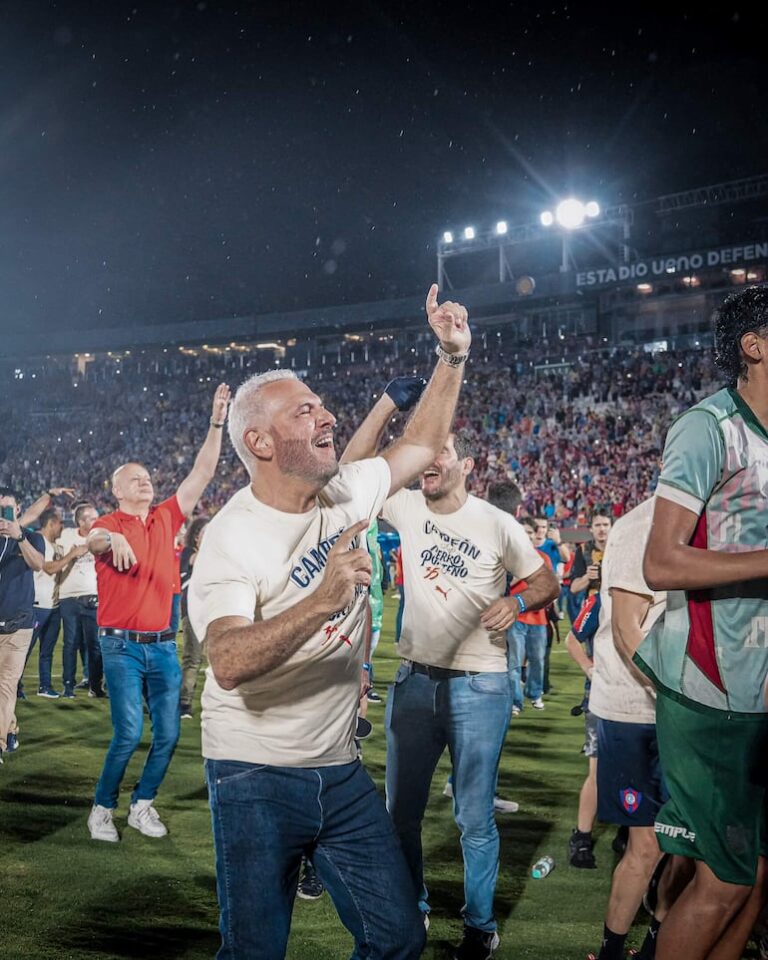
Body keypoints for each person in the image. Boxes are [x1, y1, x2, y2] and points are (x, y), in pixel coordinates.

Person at [188, 285, 470, 960]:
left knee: (397, 938)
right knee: (255, 952)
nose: (327, 415)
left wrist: (451, 356)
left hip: (341, 771)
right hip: (254, 774)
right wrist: (319, 600)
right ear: (258, 440)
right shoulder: (232, 538)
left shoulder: (343, 488)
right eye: (304, 409)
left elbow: (425, 440)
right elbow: (226, 659)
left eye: (320, 403)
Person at [343, 405, 559, 957]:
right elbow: (352, 469)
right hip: (414, 682)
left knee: (473, 817)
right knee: (402, 816)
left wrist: (515, 599)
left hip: (479, 686)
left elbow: (546, 579)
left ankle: (479, 927)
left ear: (466, 463)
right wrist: (388, 408)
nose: (429, 463)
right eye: (425, 454)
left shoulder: (496, 521)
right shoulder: (407, 504)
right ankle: (409, 911)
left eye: (440, 452)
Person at [638, 284, 768, 960]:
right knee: (722, 880)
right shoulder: (709, 427)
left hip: (761, 690)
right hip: (711, 692)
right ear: (755, 346)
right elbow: (660, 562)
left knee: (755, 878)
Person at [85, 383, 230, 843]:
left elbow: (203, 473)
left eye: (148, 477)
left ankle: (142, 804)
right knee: (128, 732)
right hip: (120, 646)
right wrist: (115, 539)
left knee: (167, 735)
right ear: (116, 489)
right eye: (135, 479)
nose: (146, 482)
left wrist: (216, 423)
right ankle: (102, 808)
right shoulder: (109, 523)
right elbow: (92, 541)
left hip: (163, 645)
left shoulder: (166, 515)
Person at [585, 497, 669, 960]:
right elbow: (625, 630)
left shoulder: (713, 517)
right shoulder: (644, 523)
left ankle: (659, 943)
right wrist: (679, 699)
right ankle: (614, 950)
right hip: (639, 710)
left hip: (679, 710)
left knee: (682, 844)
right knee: (648, 842)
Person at [18, 507, 86, 699]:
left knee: (47, 651)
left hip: (54, 606)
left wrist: (71, 559)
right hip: (37, 605)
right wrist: (71, 556)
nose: (62, 527)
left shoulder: (56, 546)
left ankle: (45, 686)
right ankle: (15, 686)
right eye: (60, 523)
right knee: (25, 651)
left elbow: (59, 571)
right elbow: (48, 568)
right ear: (51, 524)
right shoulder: (39, 542)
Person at [0, 487, 44, 762]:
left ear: (17, 510)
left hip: (19, 627)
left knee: (6, 687)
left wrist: (18, 536)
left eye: (6, 508)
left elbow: (38, 564)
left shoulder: (31, 538)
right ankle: (11, 727)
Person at [58, 503, 105, 699]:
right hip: (69, 596)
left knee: (95, 644)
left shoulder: (102, 536)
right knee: (70, 643)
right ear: (81, 521)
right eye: (92, 517)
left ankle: (95, 686)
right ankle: (68, 687)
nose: (97, 520)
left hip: (93, 596)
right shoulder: (66, 535)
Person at [509, 517, 554, 712]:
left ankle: (535, 693)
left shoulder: (543, 558)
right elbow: (503, 587)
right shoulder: (507, 558)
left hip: (538, 618)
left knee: (537, 659)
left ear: (534, 534)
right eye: (522, 531)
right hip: (515, 617)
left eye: (529, 532)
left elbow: (551, 588)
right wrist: (522, 572)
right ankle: (515, 701)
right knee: (514, 661)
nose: (525, 535)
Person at [178, 517, 209, 720]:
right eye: (207, 532)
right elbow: (199, 561)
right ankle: (184, 704)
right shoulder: (189, 553)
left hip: (212, 613)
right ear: (197, 537)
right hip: (193, 613)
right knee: (193, 659)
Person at [570, 513, 612, 599]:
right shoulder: (583, 549)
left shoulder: (620, 549)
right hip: (595, 603)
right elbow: (574, 588)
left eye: (605, 525)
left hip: (617, 603)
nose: (602, 529)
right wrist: (588, 577)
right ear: (591, 529)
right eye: (597, 525)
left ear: (612, 527)